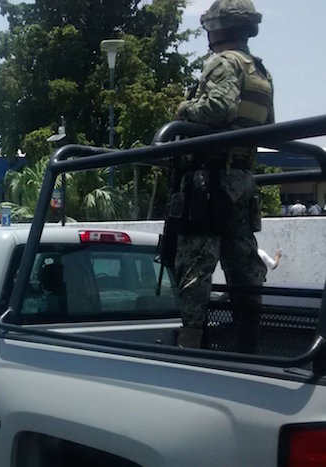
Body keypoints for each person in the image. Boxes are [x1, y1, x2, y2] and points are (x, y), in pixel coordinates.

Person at [172, 0, 272, 348]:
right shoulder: (259, 71)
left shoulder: (224, 62)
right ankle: (250, 344)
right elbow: (266, 125)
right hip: (243, 180)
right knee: (242, 260)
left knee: (194, 264)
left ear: (218, 28)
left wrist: (184, 109)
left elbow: (218, 108)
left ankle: (190, 345)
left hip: (210, 181)